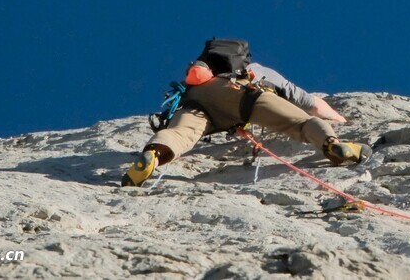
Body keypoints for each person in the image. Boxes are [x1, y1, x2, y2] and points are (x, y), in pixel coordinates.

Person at [122, 39, 370, 187]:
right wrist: (339, 119)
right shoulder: (257, 69)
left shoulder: (201, 76)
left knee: (180, 133)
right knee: (300, 123)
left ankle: (153, 155)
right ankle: (332, 145)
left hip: (197, 100)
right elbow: (309, 103)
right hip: (244, 93)